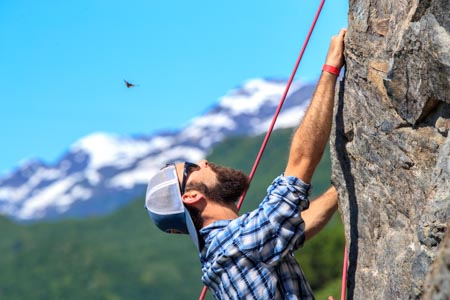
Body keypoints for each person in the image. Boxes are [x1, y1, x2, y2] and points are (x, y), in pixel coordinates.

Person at [145, 28, 346, 299]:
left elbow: (292, 225)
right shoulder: (237, 244)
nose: (203, 161)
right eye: (192, 168)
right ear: (191, 196)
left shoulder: (226, 254)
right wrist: (331, 68)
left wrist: (341, 189)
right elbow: (301, 163)